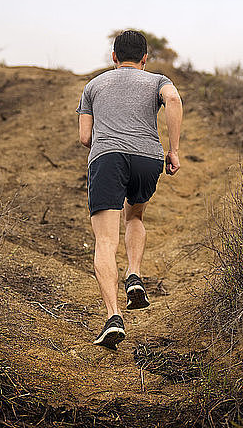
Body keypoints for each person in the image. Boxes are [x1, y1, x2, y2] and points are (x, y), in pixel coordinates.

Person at [76, 30, 183, 350]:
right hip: (148, 159)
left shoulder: (93, 86)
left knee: (105, 240)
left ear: (113, 57)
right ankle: (134, 274)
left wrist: (109, 147)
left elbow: (85, 138)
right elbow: (174, 100)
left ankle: (113, 317)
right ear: (145, 59)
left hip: (108, 158)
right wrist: (173, 150)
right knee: (135, 217)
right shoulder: (157, 80)